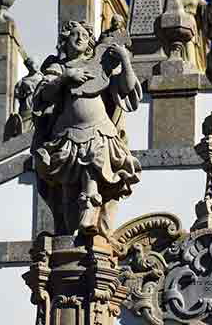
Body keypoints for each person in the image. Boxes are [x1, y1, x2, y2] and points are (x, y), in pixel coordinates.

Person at [31, 19, 143, 237]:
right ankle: (66, 229)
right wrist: (65, 77)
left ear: (91, 41)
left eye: (84, 35)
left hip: (100, 131)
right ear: (65, 41)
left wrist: (124, 61)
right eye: (75, 34)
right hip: (67, 136)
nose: (80, 38)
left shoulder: (100, 65)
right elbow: (43, 95)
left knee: (95, 166)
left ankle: (90, 218)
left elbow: (128, 89)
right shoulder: (58, 67)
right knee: (67, 188)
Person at [178, 0, 209, 72]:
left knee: (191, 42)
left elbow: (206, 6)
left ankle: (193, 64)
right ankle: (184, 64)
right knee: (182, 43)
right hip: (181, 21)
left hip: (191, 20)